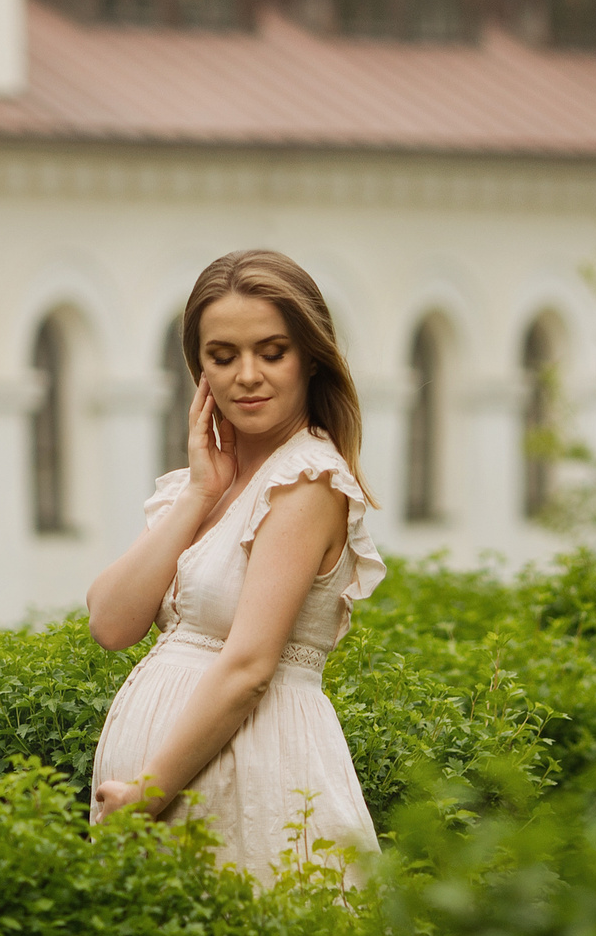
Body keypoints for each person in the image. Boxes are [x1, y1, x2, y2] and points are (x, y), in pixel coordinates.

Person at [86, 249, 383, 881]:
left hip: (252, 779)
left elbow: (249, 668)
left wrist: (147, 792)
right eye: (223, 356)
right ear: (200, 372)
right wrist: (198, 493)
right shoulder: (202, 485)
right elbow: (112, 624)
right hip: (175, 793)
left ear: (310, 358)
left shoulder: (307, 482)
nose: (247, 374)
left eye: (271, 352)